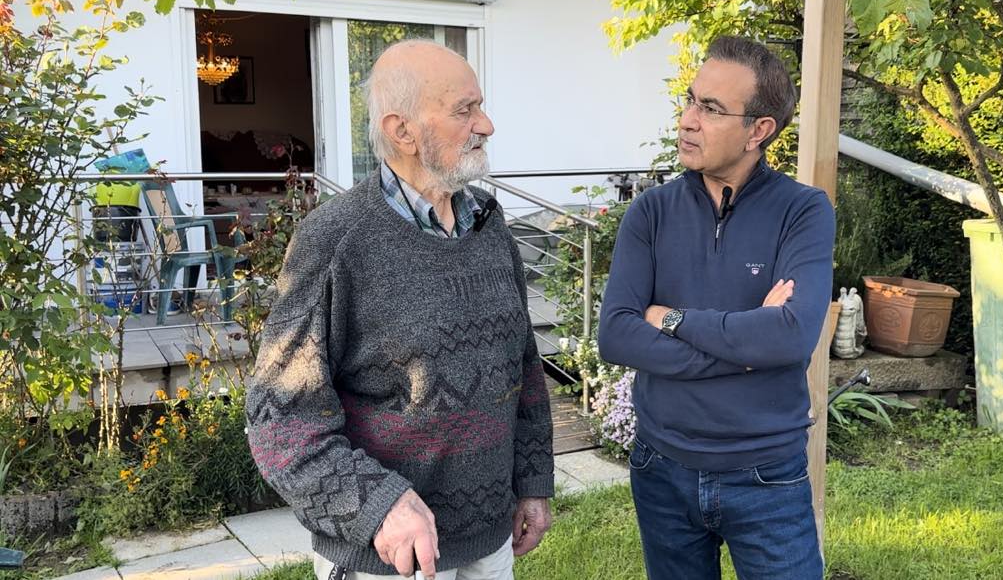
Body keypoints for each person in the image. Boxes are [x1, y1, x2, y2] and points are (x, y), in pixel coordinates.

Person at [246, 40, 554, 580]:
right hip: (391, 555)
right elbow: (279, 418)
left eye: (480, 106)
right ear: (402, 131)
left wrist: (532, 482)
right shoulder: (336, 240)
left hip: (490, 540)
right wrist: (377, 504)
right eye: (464, 110)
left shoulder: (488, 222)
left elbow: (522, 365)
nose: (486, 125)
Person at [598, 35, 835, 579]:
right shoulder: (650, 213)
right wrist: (746, 351)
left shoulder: (802, 212)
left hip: (766, 476)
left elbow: (792, 336)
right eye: (689, 100)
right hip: (661, 468)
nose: (687, 120)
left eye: (710, 108)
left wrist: (671, 318)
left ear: (759, 130)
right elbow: (616, 335)